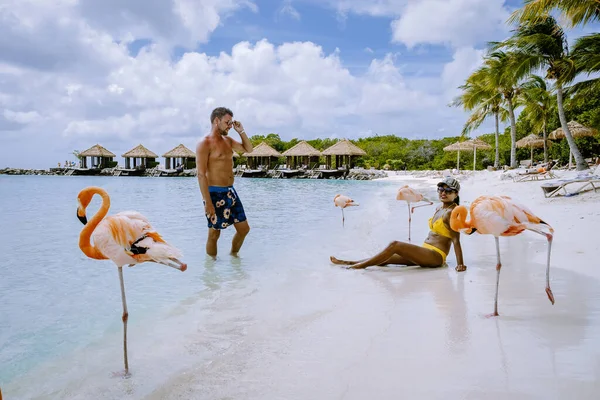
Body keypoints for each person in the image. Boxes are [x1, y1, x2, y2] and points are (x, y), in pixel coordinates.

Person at [330, 177, 467, 271]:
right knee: (386, 258)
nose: (443, 193)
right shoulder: (439, 208)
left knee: (395, 245)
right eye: (441, 190)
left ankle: (357, 267)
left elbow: (456, 240)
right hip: (426, 251)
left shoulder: (452, 212)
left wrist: (460, 264)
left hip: (435, 256)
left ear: (456, 194)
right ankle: (350, 262)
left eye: (448, 191)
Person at [196, 107, 254, 257]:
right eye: (227, 122)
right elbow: (201, 175)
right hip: (214, 193)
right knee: (214, 235)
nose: (230, 125)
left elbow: (249, 149)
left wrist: (241, 131)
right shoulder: (204, 143)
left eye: (231, 123)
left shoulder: (228, 141)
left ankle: (234, 258)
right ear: (217, 121)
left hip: (230, 191)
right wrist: (207, 202)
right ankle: (211, 270)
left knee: (244, 229)